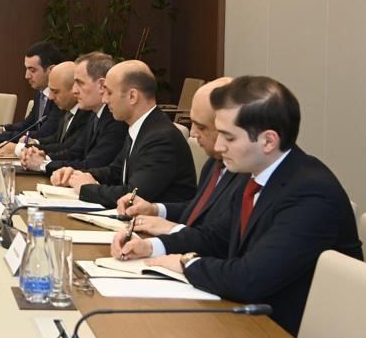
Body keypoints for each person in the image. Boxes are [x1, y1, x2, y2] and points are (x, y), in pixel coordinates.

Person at [112, 76, 362, 336]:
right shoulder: (256, 173)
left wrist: (187, 263)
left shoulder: (311, 194)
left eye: (229, 137)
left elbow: (250, 278)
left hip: (288, 337)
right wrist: (151, 247)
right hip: (250, 319)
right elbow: (216, 237)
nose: (219, 146)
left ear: (268, 141)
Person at [57, 60, 196, 207]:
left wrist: (87, 188)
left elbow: (133, 194)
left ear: (132, 96)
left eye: (109, 93)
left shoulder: (161, 138)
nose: (104, 99)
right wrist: (77, 175)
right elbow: (116, 171)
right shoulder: (141, 126)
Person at [117, 77, 246, 236]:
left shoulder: (245, 173)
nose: (192, 133)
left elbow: (220, 237)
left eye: (201, 127)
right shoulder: (214, 163)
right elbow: (199, 209)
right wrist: (155, 210)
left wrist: (174, 229)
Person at [41, 52, 126, 181]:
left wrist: (43, 165)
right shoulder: (94, 114)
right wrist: (43, 159)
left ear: (101, 85)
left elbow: (93, 164)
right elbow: (75, 152)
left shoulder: (115, 119)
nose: (74, 90)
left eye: (80, 83)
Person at [0, 60, 90, 161]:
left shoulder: (86, 114)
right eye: (50, 91)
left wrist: (20, 149)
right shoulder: (66, 109)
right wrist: (36, 142)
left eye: (55, 92)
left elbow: (68, 148)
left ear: (74, 89)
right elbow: (56, 138)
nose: (50, 97)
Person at [0, 41, 63, 144]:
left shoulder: (60, 98)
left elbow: (44, 134)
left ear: (51, 70)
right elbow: (27, 125)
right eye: (26, 69)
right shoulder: (40, 93)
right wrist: (1, 129)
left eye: (32, 70)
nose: (27, 76)